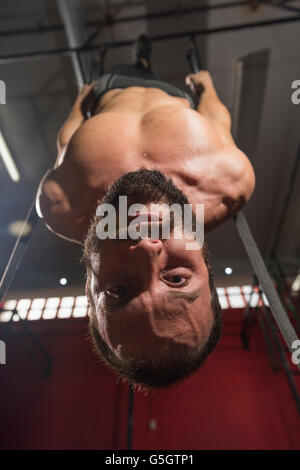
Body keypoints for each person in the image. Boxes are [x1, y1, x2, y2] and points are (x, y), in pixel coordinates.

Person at [36, 36, 255, 388]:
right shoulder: (229, 184)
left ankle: (140, 58)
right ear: (207, 266)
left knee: (134, 61)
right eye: (177, 279)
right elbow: (217, 120)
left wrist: (80, 101)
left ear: (90, 292)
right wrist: (207, 86)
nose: (148, 251)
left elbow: (68, 139)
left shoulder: (60, 203)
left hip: (113, 89)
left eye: (119, 290)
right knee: (148, 63)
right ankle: (145, 60)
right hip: (172, 94)